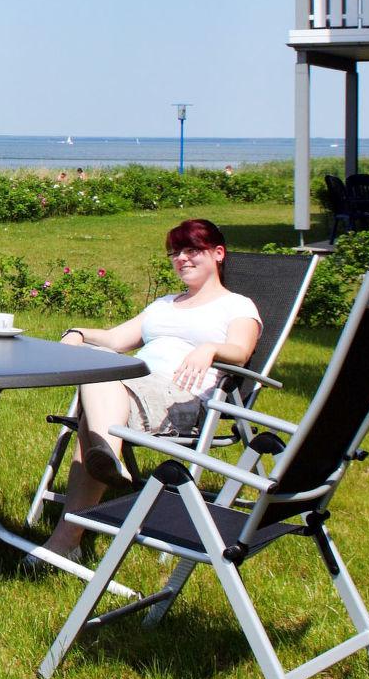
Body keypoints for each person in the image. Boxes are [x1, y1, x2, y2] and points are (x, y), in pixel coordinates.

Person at [41, 217, 261, 560]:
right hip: (132, 388)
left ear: (218, 253)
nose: (182, 259)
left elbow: (241, 350)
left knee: (92, 420)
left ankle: (67, 538)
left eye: (192, 250)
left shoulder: (237, 305)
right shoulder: (163, 304)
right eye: (175, 252)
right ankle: (105, 458)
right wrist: (81, 332)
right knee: (96, 358)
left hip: (181, 397)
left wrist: (211, 349)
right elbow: (116, 339)